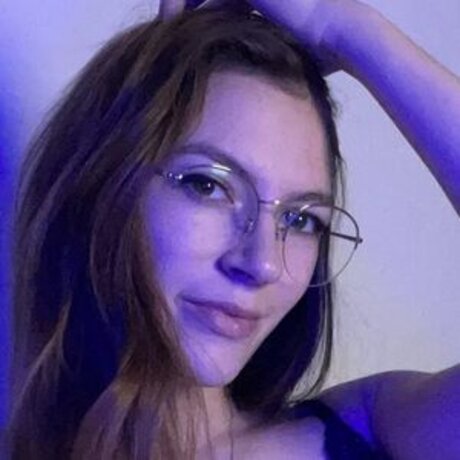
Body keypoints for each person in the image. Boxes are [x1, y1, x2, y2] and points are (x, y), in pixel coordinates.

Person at [2, 0, 459, 459]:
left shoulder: (372, 429)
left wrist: (336, 24)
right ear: (102, 183)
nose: (262, 264)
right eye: (209, 185)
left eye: (301, 219)